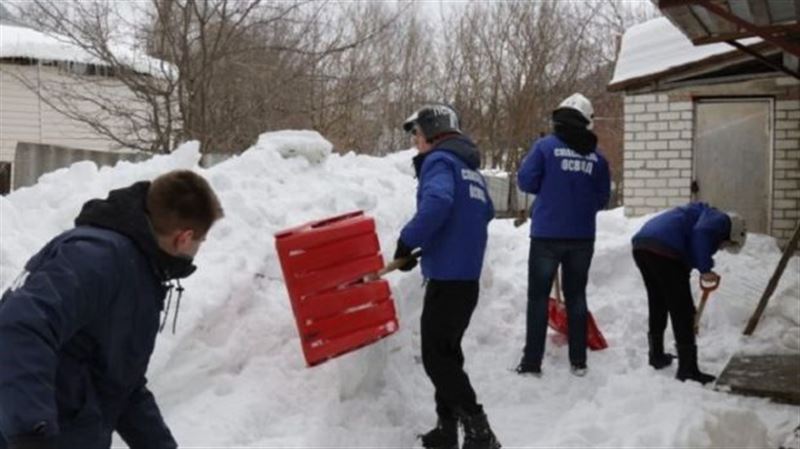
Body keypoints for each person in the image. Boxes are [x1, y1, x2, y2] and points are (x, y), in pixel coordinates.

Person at [0, 170, 224, 449]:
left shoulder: (138, 270)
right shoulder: (97, 258)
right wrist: (31, 435)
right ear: (185, 237)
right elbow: (20, 327)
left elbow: (122, 384)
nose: (198, 249)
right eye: (201, 241)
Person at [394, 104, 500, 449]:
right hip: (466, 280)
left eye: (417, 134)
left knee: (436, 358)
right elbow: (484, 212)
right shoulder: (470, 171)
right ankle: (447, 429)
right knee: (448, 355)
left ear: (433, 133)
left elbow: (437, 203)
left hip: (447, 281)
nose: (415, 142)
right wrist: (446, 242)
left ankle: (479, 431)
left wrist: (407, 242)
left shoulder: (439, 162)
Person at [515, 93, 610, 377]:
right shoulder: (597, 159)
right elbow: (602, 198)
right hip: (582, 237)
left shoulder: (545, 147)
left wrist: (552, 189)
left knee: (538, 298)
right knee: (577, 296)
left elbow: (526, 181)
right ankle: (578, 361)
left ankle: (532, 363)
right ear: (587, 122)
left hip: (546, 235)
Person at [631, 203, 746, 385]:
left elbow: (688, 250)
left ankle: (657, 355)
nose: (723, 247)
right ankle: (687, 370)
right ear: (732, 233)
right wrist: (705, 269)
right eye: (727, 244)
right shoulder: (720, 220)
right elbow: (701, 234)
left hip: (642, 245)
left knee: (658, 301)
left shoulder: (697, 214)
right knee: (682, 311)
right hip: (665, 248)